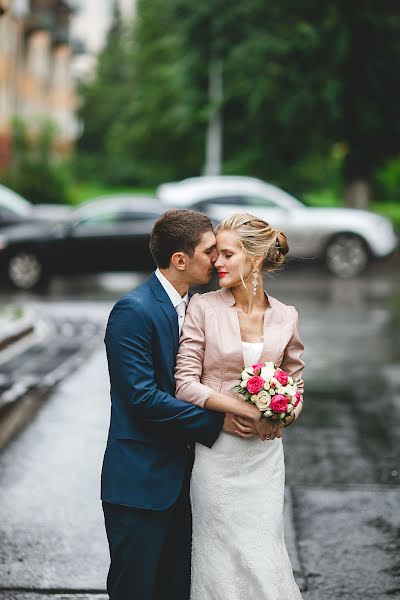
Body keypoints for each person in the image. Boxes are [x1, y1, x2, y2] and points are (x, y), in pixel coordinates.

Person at [101, 209, 270, 600]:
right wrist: (219, 421)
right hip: (140, 486)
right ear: (180, 260)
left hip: (188, 484)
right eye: (210, 250)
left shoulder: (199, 307)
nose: (217, 258)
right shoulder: (134, 310)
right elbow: (142, 397)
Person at [175, 213, 305, 600]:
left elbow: (295, 380)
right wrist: (245, 410)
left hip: (264, 458)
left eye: (227, 254)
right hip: (217, 454)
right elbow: (184, 383)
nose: (217, 262)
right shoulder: (203, 307)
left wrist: (282, 416)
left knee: (263, 550)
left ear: (256, 258)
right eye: (215, 254)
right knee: (221, 556)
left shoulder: (286, 316)